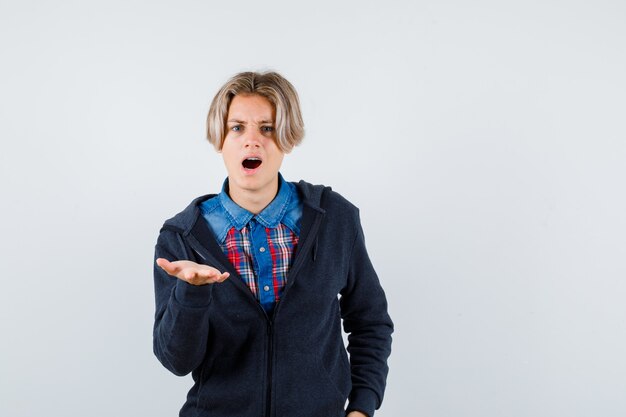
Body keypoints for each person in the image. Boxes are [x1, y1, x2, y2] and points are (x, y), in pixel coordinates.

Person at [152, 71, 393, 417]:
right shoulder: (182, 238)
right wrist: (191, 292)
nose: (252, 141)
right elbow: (176, 361)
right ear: (220, 139)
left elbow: (370, 321)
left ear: (288, 139)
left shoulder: (334, 219)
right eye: (237, 128)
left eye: (266, 128)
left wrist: (362, 408)